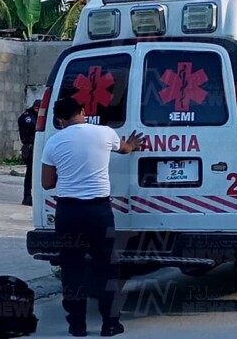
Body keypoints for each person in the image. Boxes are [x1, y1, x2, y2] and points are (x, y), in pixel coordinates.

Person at [41, 98, 143, 337]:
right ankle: (110, 324)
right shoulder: (105, 133)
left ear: (59, 120)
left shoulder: (53, 142)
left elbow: (47, 183)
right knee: (107, 266)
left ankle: (77, 325)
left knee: (72, 267)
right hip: (99, 212)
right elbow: (125, 148)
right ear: (84, 111)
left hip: (68, 213)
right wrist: (132, 145)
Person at [18, 100, 41, 206]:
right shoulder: (28, 117)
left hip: (36, 147)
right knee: (30, 174)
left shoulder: (35, 115)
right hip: (31, 148)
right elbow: (34, 128)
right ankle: (27, 198)